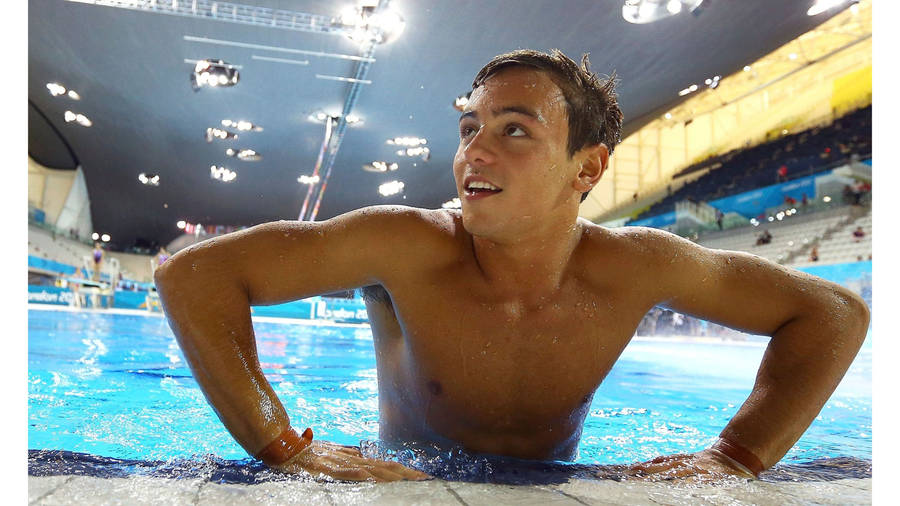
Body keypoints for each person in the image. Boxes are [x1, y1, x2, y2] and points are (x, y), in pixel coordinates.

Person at [156, 49, 869, 483]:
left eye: (514, 131)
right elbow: (194, 277)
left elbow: (833, 313)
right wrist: (280, 444)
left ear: (587, 167)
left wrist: (737, 455)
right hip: (412, 480)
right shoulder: (405, 244)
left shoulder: (635, 266)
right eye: (469, 128)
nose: (474, 152)